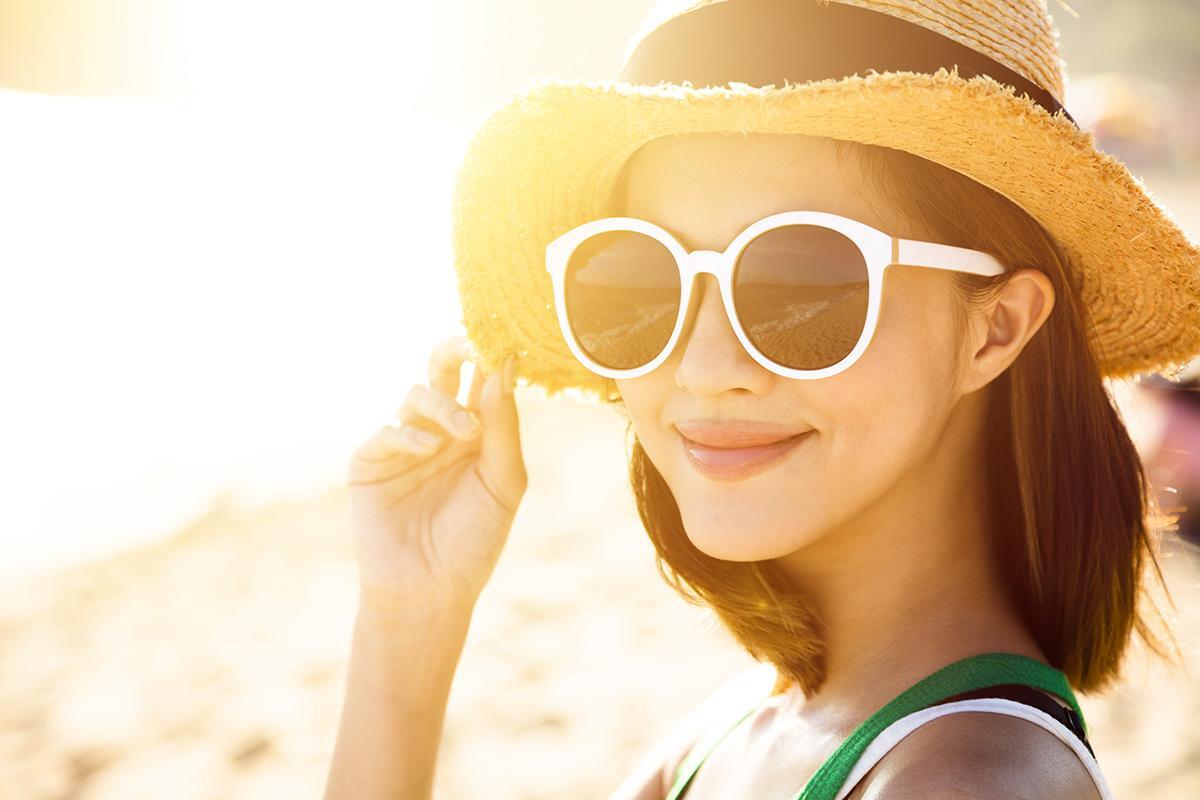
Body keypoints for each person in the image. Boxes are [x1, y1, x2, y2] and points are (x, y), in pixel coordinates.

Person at [323, 1, 1200, 798]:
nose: (705, 367)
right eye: (642, 282)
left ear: (995, 328)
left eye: (798, 281)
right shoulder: (750, 725)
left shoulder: (969, 784)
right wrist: (409, 617)